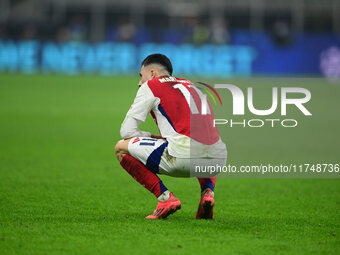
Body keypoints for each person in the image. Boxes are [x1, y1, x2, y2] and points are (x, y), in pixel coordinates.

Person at [115, 54, 227, 219]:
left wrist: (152, 136)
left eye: (141, 76)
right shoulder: (192, 85)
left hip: (182, 157)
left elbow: (127, 132)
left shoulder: (151, 86)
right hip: (218, 159)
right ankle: (208, 192)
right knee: (205, 143)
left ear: (152, 73)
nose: (139, 83)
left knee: (120, 148)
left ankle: (165, 199)